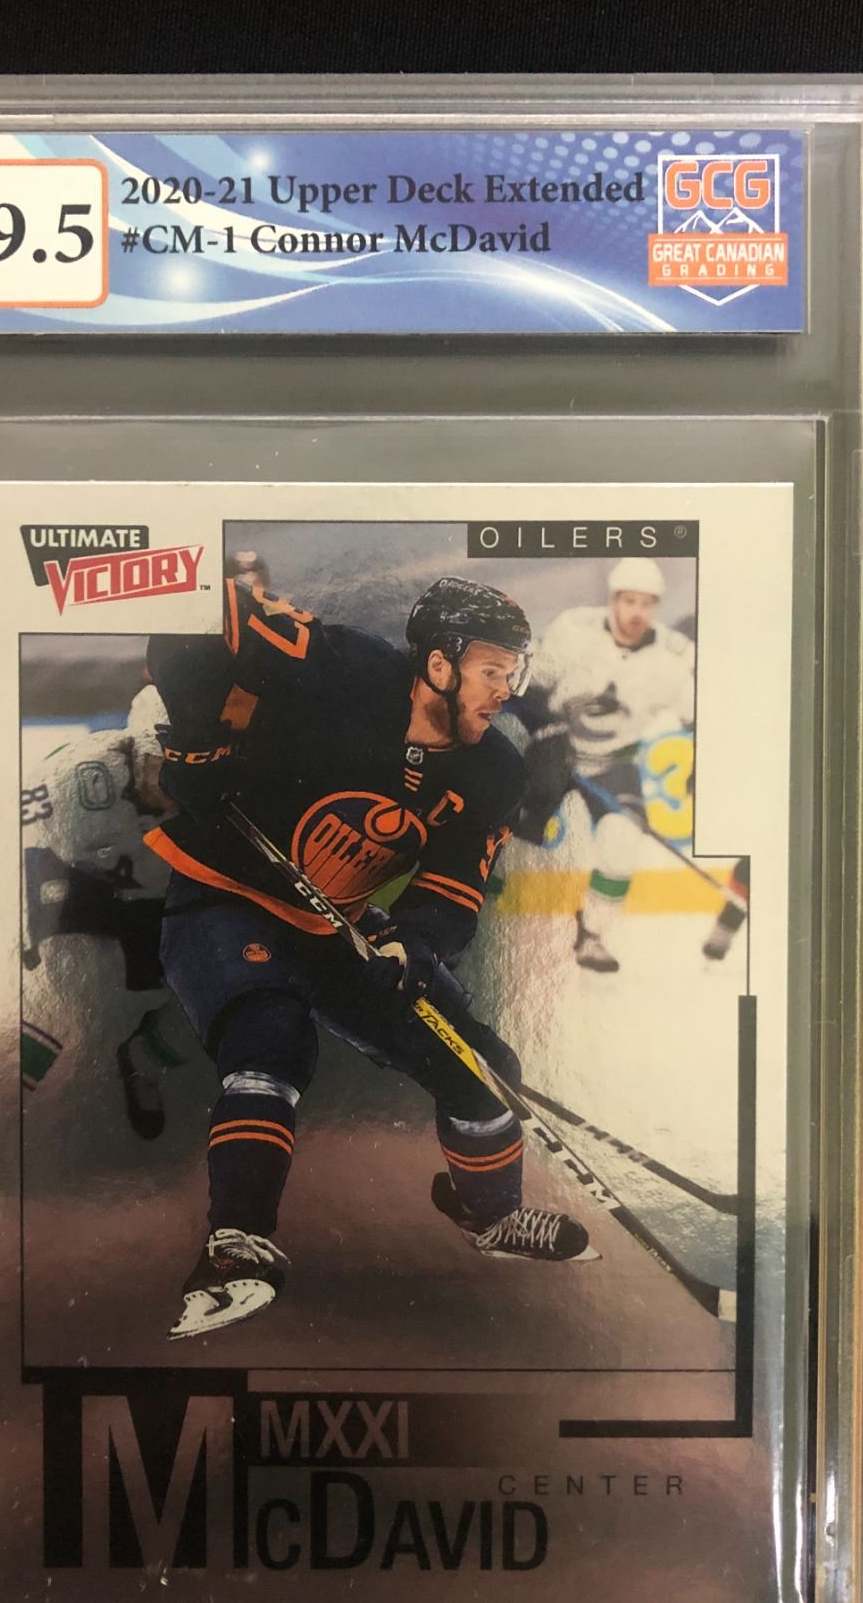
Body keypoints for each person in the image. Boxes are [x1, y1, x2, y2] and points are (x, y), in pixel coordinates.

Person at [145, 574, 594, 1340]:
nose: (506, 690)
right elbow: (193, 613)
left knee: (484, 1066)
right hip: (225, 891)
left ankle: (492, 1216)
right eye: (493, 670)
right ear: (440, 664)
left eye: (514, 672)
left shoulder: (493, 772)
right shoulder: (341, 667)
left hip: (338, 924)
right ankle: (234, 1249)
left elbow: (454, 888)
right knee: (270, 1040)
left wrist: (412, 940)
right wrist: (197, 740)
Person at [21, 682, 198, 1137]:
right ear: (138, 753)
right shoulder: (77, 780)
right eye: (167, 766)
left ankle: (144, 1058)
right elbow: (26, 840)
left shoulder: (216, 793)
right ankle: (5, 1091)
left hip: (158, 901)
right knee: (66, 1013)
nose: (179, 787)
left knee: (210, 1001)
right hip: (78, 892)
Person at [512, 558, 696, 973]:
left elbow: (697, 718)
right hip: (554, 748)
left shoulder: (673, 658)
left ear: (656, 606)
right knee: (516, 826)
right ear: (613, 600)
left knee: (622, 842)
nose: (636, 613)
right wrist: (545, 727)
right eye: (629, 601)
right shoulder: (574, 630)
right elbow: (527, 685)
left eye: (646, 604)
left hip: (613, 763)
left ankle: (591, 933)